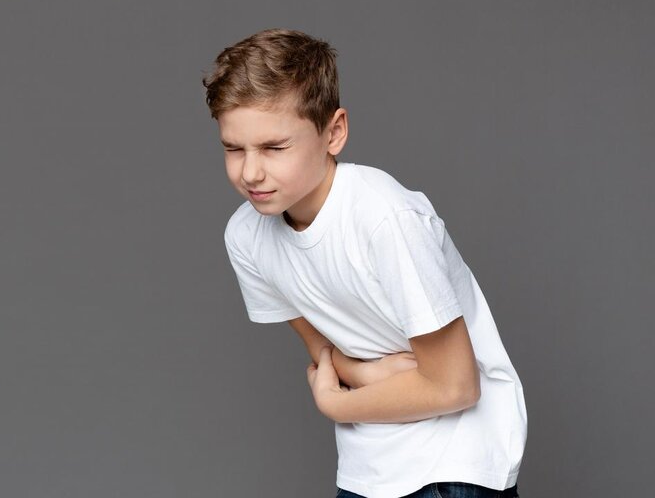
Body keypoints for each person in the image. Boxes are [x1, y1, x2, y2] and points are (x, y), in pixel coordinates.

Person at [202, 28, 527, 498]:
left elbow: (456, 387)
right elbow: (325, 353)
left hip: (453, 465)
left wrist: (336, 404)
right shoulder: (246, 236)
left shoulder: (383, 217)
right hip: (368, 466)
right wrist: (364, 374)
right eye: (234, 148)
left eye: (274, 148)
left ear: (334, 132)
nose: (250, 172)